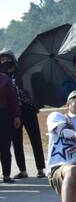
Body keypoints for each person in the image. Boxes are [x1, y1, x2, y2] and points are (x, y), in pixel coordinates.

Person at [0, 50, 46, 179]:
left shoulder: (24, 73)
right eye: (2, 60)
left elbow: (35, 89)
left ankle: (40, 169)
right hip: (12, 113)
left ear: (13, 59)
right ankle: (23, 170)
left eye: (6, 59)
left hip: (28, 109)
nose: (4, 62)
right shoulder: (2, 76)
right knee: (16, 141)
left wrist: (35, 102)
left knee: (35, 138)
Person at [0, 70, 20, 183]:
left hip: (4, 115)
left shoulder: (4, 79)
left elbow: (13, 99)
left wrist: (16, 115)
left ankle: (6, 175)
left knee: (5, 146)